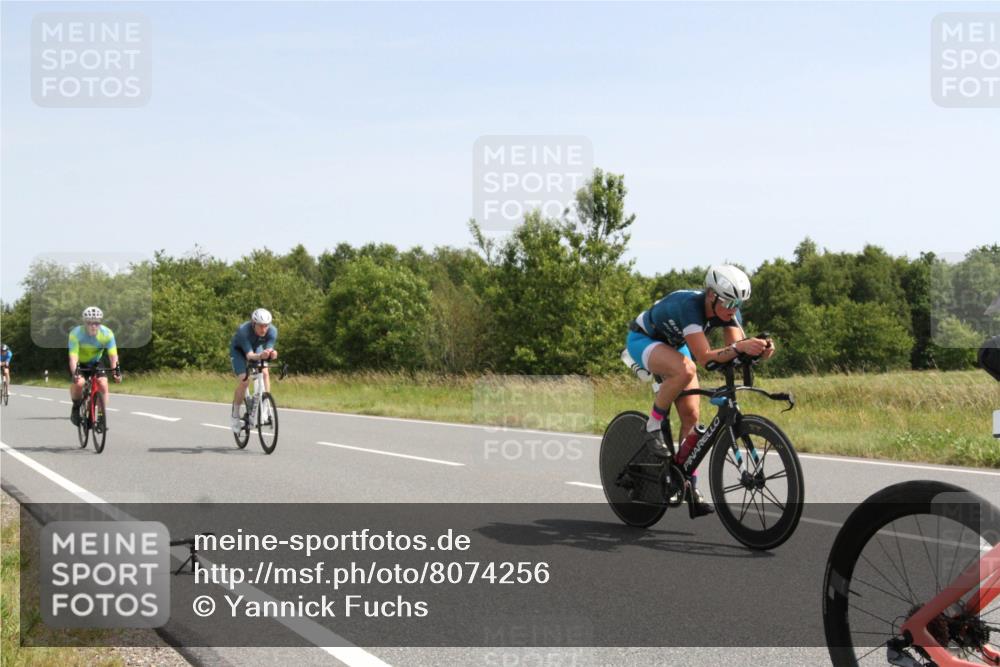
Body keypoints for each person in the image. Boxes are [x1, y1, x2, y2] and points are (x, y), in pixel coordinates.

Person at [625, 265, 776, 516]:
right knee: (686, 369)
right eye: (729, 302)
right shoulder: (690, 307)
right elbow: (706, 358)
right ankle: (652, 425)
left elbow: (734, 351)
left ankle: (687, 485)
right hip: (644, 340)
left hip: (674, 345)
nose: (733, 309)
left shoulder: (727, 313)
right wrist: (740, 348)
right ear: (710, 295)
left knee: (692, 418)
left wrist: (759, 351)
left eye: (738, 303)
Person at [68, 306, 122, 425]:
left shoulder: (107, 334)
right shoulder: (76, 334)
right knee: (80, 383)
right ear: (85, 323)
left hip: (96, 361)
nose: (93, 326)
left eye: (96, 323)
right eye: (90, 323)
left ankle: (101, 416)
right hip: (79, 362)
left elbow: (113, 356)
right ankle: (76, 407)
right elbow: (73, 357)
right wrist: (75, 373)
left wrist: (116, 372)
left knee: (103, 383)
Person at [229, 308, 278, 433]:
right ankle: (235, 415)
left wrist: (272, 353)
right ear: (253, 323)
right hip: (239, 351)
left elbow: (268, 349)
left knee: (265, 372)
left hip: (256, 349)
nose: (263, 329)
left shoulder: (272, 331)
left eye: (266, 326)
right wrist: (261, 355)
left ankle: (265, 406)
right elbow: (250, 356)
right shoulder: (243, 331)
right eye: (260, 326)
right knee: (245, 381)